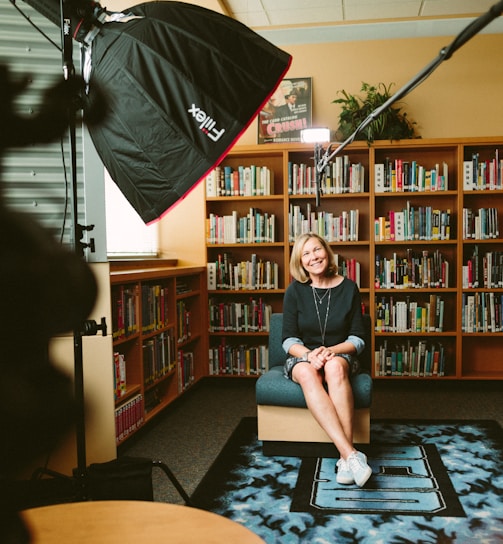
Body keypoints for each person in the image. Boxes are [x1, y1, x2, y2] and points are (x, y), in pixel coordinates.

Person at [282, 232, 372, 487]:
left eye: (317, 250)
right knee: (309, 372)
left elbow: (357, 338)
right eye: (306, 254)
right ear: (300, 262)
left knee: (333, 367)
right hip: (303, 356)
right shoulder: (295, 291)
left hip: (339, 353)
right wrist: (310, 355)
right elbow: (288, 340)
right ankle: (350, 454)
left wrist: (328, 351)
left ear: (327, 252)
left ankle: (345, 460)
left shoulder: (349, 287)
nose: (313, 257)